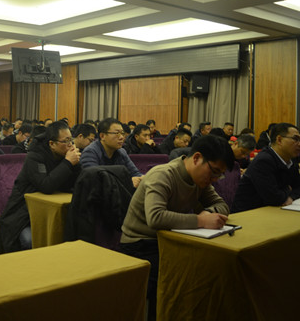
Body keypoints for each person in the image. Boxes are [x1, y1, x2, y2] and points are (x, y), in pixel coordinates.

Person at [119, 135, 234, 321]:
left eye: (219, 175)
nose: (214, 179)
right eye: (213, 172)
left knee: (214, 265)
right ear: (196, 158)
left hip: (171, 239)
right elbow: (155, 217)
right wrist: (201, 220)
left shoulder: (200, 180)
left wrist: (208, 213)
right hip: (141, 244)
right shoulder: (163, 174)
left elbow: (221, 205)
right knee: (185, 277)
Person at [0, 121, 81, 252]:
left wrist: (76, 164)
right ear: (52, 144)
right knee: (30, 240)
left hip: (53, 212)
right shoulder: (35, 156)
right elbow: (46, 186)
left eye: (71, 140)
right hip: (23, 214)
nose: (70, 144)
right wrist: (68, 163)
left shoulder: (64, 156)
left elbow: (78, 183)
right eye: (66, 141)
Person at [232, 123, 300, 213]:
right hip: (247, 214)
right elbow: (274, 198)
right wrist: (288, 188)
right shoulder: (263, 161)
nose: (299, 144)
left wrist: (290, 197)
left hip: (272, 211)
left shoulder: (291, 161)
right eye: (295, 139)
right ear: (279, 140)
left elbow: (298, 187)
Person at [80, 117, 143, 187]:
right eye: (117, 133)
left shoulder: (122, 152)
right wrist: (128, 181)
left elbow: (135, 173)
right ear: (102, 136)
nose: (121, 137)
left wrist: (141, 178)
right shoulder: (90, 152)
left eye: (122, 133)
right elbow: (93, 180)